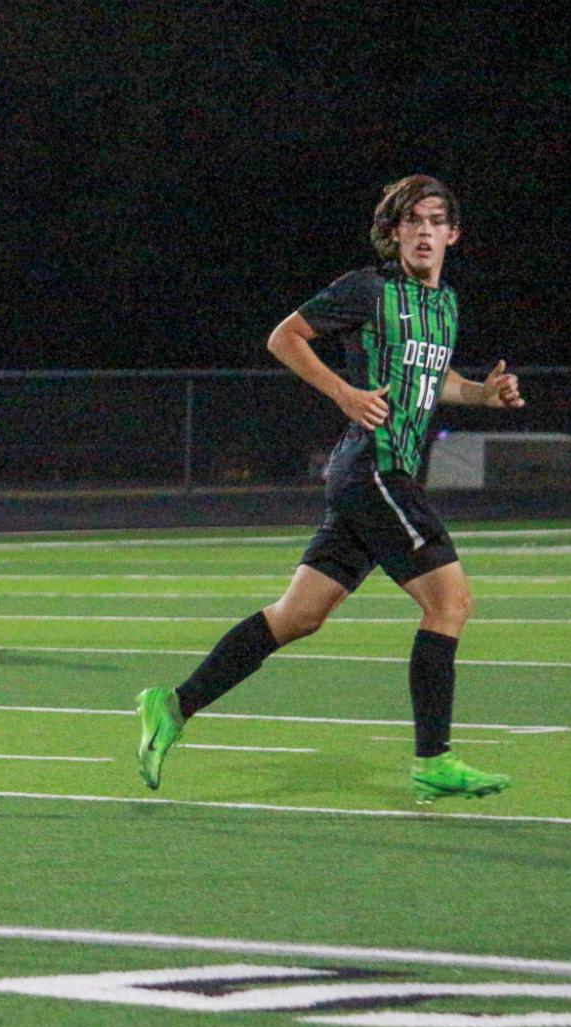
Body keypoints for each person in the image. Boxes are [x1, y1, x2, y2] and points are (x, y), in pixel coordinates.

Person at [136, 175, 525, 802]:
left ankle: (173, 705)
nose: (424, 232)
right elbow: (284, 337)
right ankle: (434, 760)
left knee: (299, 616)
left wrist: (482, 393)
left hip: (373, 475)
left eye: (435, 222)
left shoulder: (446, 304)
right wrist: (343, 392)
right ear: (393, 232)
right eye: (412, 221)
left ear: (453, 235)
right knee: (449, 604)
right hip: (374, 467)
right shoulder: (367, 289)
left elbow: (433, 380)